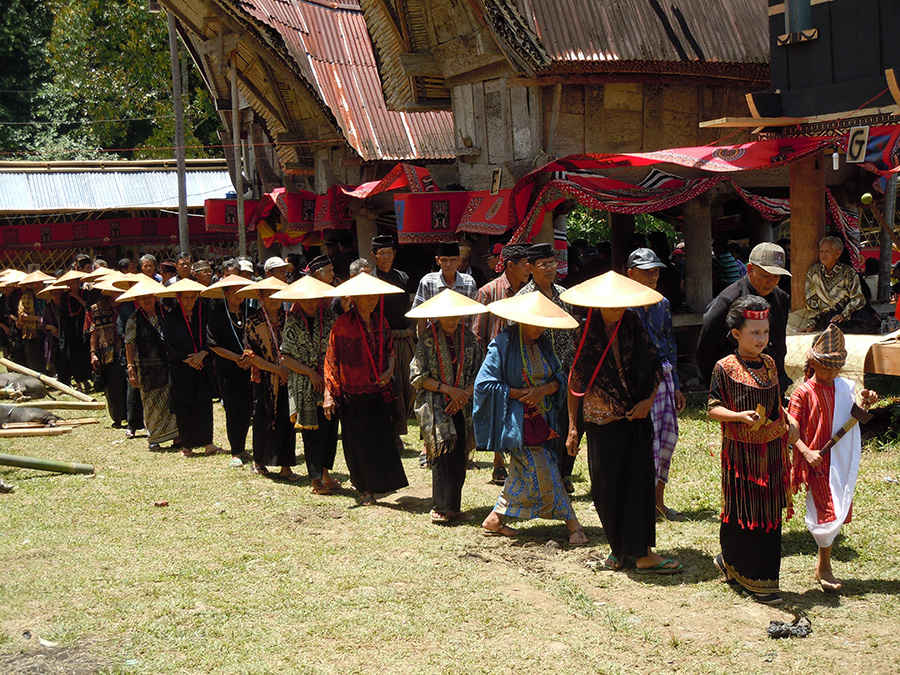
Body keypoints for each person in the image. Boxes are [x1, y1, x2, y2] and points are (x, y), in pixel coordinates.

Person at [564, 271, 681, 573]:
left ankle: (643, 552)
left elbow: (656, 366)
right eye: (609, 305)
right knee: (606, 486)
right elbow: (574, 382)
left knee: (638, 484)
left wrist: (648, 402)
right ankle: (617, 548)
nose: (615, 310)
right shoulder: (585, 334)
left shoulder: (632, 326)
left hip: (634, 418)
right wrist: (573, 427)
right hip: (600, 423)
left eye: (620, 305)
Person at [474, 291, 588, 546]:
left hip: (543, 419)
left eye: (542, 322)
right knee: (545, 466)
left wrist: (543, 391)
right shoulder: (502, 344)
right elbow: (484, 384)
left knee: (522, 472)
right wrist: (520, 394)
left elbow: (559, 377)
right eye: (533, 322)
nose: (538, 328)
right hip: (516, 421)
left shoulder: (545, 344)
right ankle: (573, 525)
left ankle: (495, 518)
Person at [708, 296, 797, 605]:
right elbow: (712, 408)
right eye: (754, 333)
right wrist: (738, 416)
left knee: (768, 514)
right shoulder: (725, 367)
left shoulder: (771, 364)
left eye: (765, 332)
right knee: (741, 510)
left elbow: (776, 407)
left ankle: (761, 577)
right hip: (741, 455)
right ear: (737, 334)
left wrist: (789, 423)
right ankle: (739, 568)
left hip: (771, 454)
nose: (761, 339)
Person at [788, 325, 878, 592]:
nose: (832, 374)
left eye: (836, 369)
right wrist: (805, 450)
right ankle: (824, 566)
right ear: (813, 363)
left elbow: (853, 414)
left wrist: (866, 402)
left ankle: (822, 564)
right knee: (825, 511)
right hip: (816, 460)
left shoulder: (844, 387)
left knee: (838, 505)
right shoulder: (802, 392)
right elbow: (788, 426)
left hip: (837, 459)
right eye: (826, 368)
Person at [323, 274, 409, 506]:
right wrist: (330, 393)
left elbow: (391, 350)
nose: (371, 300)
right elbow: (331, 359)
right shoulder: (342, 325)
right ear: (354, 298)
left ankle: (382, 483)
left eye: (374, 296)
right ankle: (364, 490)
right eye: (366, 296)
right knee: (357, 442)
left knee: (381, 437)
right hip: (351, 394)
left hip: (378, 390)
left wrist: (390, 371)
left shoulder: (382, 321)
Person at [408, 289, 486, 524]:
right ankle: (441, 507)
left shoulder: (469, 338)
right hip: (436, 403)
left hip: (462, 403)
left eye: (456, 315)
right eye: (447, 315)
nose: (452, 319)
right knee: (443, 452)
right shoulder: (428, 339)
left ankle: (454, 506)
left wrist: (463, 395)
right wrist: (448, 390)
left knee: (460, 452)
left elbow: (480, 372)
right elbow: (418, 376)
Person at [626, 249, 687, 522]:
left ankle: (658, 502)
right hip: (631, 382)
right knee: (637, 443)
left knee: (665, 440)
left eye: (657, 269)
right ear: (630, 273)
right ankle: (636, 503)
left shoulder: (662, 303)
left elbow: (669, 346)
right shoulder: (621, 305)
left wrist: (674, 385)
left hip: (661, 379)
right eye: (647, 270)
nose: (654, 274)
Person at [517, 242, 578, 494]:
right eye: (544, 265)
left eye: (553, 263)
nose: (550, 269)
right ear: (530, 268)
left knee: (568, 424)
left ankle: (564, 474)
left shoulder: (564, 295)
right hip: (536, 374)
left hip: (566, 371)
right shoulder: (522, 299)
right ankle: (544, 476)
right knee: (543, 425)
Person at [697, 242, 792, 392]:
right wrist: (717, 389)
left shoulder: (782, 299)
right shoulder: (728, 301)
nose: (771, 281)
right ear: (750, 269)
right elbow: (705, 349)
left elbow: (779, 342)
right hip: (738, 385)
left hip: (773, 382)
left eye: (777, 276)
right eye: (766, 275)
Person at [471, 244, 530, 483]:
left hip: (524, 356)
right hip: (495, 358)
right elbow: (478, 332)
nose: (529, 269)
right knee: (497, 406)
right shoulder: (488, 292)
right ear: (509, 266)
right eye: (525, 265)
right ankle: (498, 462)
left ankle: (521, 459)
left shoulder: (529, 291)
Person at [278, 275, 341, 494]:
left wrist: (326, 375)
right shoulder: (292, 321)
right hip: (305, 384)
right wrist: (310, 372)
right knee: (311, 432)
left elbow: (338, 350)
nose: (309, 302)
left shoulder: (332, 318)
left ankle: (325, 473)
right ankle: (315, 479)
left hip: (329, 381)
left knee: (330, 428)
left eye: (312, 298)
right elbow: (285, 356)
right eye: (304, 299)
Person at [240, 276, 300, 481]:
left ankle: (286, 466)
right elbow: (251, 355)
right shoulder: (253, 321)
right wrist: (276, 369)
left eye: (276, 294)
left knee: (287, 417)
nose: (273, 299)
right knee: (263, 417)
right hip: (265, 378)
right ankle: (259, 461)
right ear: (260, 297)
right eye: (268, 295)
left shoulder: (289, 318)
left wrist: (287, 369)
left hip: (288, 377)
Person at [157, 279, 222, 458]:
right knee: (184, 406)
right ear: (179, 298)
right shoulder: (171, 318)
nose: (190, 301)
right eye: (186, 297)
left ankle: (208, 443)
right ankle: (187, 446)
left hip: (202, 365)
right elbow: (167, 344)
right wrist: (187, 359)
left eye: (193, 297)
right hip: (182, 369)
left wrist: (203, 353)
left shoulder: (204, 314)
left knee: (204, 404)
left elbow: (213, 337)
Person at [203, 274, 254, 467]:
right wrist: (236, 358)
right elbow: (212, 344)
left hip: (251, 367)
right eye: (233, 291)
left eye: (240, 291)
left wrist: (250, 358)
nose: (238, 295)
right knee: (233, 409)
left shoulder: (249, 311)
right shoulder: (217, 314)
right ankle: (236, 451)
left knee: (248, 408)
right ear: (225, 293)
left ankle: (242, 447)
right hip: (228, 369)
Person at [123, 279, 179, 451]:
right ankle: (154, 438)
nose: (147, 300)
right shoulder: (134, 320)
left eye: (149, 297)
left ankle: (176, 436)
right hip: (147, 368)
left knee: (172, 400)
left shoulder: (167, 314)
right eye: (143, 298)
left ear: (155, 297)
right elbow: (129, 346)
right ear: (137, 300)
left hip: (168, 364)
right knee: (150, 403)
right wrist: (131, 368)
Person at [371, 235, 416, 439]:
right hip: (380, 340)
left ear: (394, 254)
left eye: (390, 252)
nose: (387, 257)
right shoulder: (370, 280)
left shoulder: (403, 277)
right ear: (374, 256)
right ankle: (390, 433)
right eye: (382, 253)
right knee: (387, 384)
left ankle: (401, 426)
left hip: (403, 337)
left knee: (406, 383)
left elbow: (407, 308)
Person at [804, 236, 881, 333]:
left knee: (873, 323)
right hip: (830, 316)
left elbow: (857, 297)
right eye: (821, 251)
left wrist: (844, 315)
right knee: (834, 327)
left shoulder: (849, 272)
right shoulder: (813, 272)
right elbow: (811, 300)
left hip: (850, 312)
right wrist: (812, 324)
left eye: (827, 251)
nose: (823, 255)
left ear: (838, 253)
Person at [411, 240, 477, 338]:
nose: (448, 264)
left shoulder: (469, 282)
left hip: (462, 337)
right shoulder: (427, 282)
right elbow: (421, 316)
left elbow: (474, 316)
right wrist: (423, 344)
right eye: (444, 260)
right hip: (434, 337)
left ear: (459, 260)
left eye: (453, 260)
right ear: (438, 261)